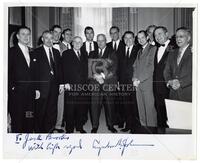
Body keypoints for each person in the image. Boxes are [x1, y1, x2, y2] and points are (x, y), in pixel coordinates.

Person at [32, 30, 62, 133]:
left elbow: (60, 70)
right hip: (41, 88)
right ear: (42, 39)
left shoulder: (57, 52)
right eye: (47, 38)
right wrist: (35, 89)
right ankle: (39, 133)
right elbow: (33, 73)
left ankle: (49, 130)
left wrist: (61, 84)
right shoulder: (35, 52)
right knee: (40, 111)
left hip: (54, 87)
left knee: (52, 111)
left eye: (51, 38)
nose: (49, 40)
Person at [8, 26, 35, 133]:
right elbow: (7, 73)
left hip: (30, 94)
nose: (26, 36)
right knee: (18, 121)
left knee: (29, 118)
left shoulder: (32, 51)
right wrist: (12, 88)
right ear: (18, 36)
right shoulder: (11, 52)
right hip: (17, 94)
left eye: (28, 34)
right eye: (23, 34)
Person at [89, 34, 118, 133]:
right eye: (98, 41)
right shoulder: (92, 53)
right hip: (95, 83)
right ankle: (94, 126)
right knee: (95, 105)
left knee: (110, 105)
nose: (100, 42)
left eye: (102, 40)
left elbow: (113, 68)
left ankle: (111, 125)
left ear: (106, 40)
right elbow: (89, 67)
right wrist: (95, 76)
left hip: (108, 82)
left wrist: (102, 76)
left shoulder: (112, 52)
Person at [61, 36, 87, 133]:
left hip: (82, 86)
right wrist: (65, 82)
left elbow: (86, 70)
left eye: (79, 42)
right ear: (72, 43)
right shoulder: (66, 53)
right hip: (70, 85)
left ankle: (80, 127)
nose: (77, 43)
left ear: (82, 44)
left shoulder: (84, 54)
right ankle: (69, 129)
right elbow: (63, 69)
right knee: (70, 109)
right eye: (75, 42)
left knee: (81, 108)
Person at [133, 30, 157, 127]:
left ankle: (152, 132)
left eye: (142, 37)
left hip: (147, 84)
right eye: (138, 38)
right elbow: (135, 66)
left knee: (149, 110)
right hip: (138, 84)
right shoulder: (139, 51)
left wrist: (139, 80)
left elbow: (150, 67)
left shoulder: (153, 48)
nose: (141, 40)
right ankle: (144, 130)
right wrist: (134, 79)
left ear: (147, 37)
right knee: (141, 109)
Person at [118, 31, 140, 133]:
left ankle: (135, 127)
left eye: (130, 38)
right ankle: (128, 125)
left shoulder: (139, 50)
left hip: (134, 82)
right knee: (125, 105)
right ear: (123, 39)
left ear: (134, 39)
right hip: (123, 83)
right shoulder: (121, 50)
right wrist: (118, 81)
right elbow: (118, 68)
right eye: (126, 38)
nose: (128, 40)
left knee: (134, 106)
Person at [153, 26, 176, 128]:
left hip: (169, 87)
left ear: (167, 34)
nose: (157, 37)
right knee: (160, 112)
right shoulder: (157, 48)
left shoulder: (175, 47)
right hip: (157, 86)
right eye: (155, 35)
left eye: (160, 34)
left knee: (170, 116)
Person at [164, 27, 192, 102]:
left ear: (188, 38)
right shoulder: (172, 52)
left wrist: (180, 83)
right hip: (173, 94)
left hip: (188, 94)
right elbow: (166, 71)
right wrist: (170, 82)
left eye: (181, 36)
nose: (178, 39)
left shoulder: (195, 51)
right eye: (176, 37)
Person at [54, 28, 73, 133]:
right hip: (60, 79)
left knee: (65, 103)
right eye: (66, 34)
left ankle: (62, 122)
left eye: (71, 35)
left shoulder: (72, 46)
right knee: (58, 103)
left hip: (69, 79)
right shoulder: (58, 46)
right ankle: (57, 124)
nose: (69, 36)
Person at [107, 26, 125, 128]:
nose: (113, 35)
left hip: (121, 77)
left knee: (121, 100)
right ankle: (112, 120)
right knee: (111, 101)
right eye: (111, 33)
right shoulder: (108, 45)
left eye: (115, 32)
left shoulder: (124, 44)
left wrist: (119, 79)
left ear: (119, 32)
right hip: (110, 78)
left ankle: (121, 121)